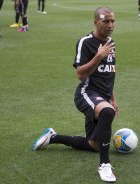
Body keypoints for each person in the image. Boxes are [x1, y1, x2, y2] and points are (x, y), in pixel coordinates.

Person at [31, 7, 118, 183]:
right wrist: (98, 56)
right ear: (96, 22)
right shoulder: (85, 42)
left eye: (112, 21)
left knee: (94, 145)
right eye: (106, 21)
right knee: (107, 113)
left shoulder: (110, 42)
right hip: (86, 93)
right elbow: (80, 73)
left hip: (102, 98)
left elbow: (109, 73)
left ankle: (53, 137)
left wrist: (113, 99)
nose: (110, 25)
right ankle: (105, 165)